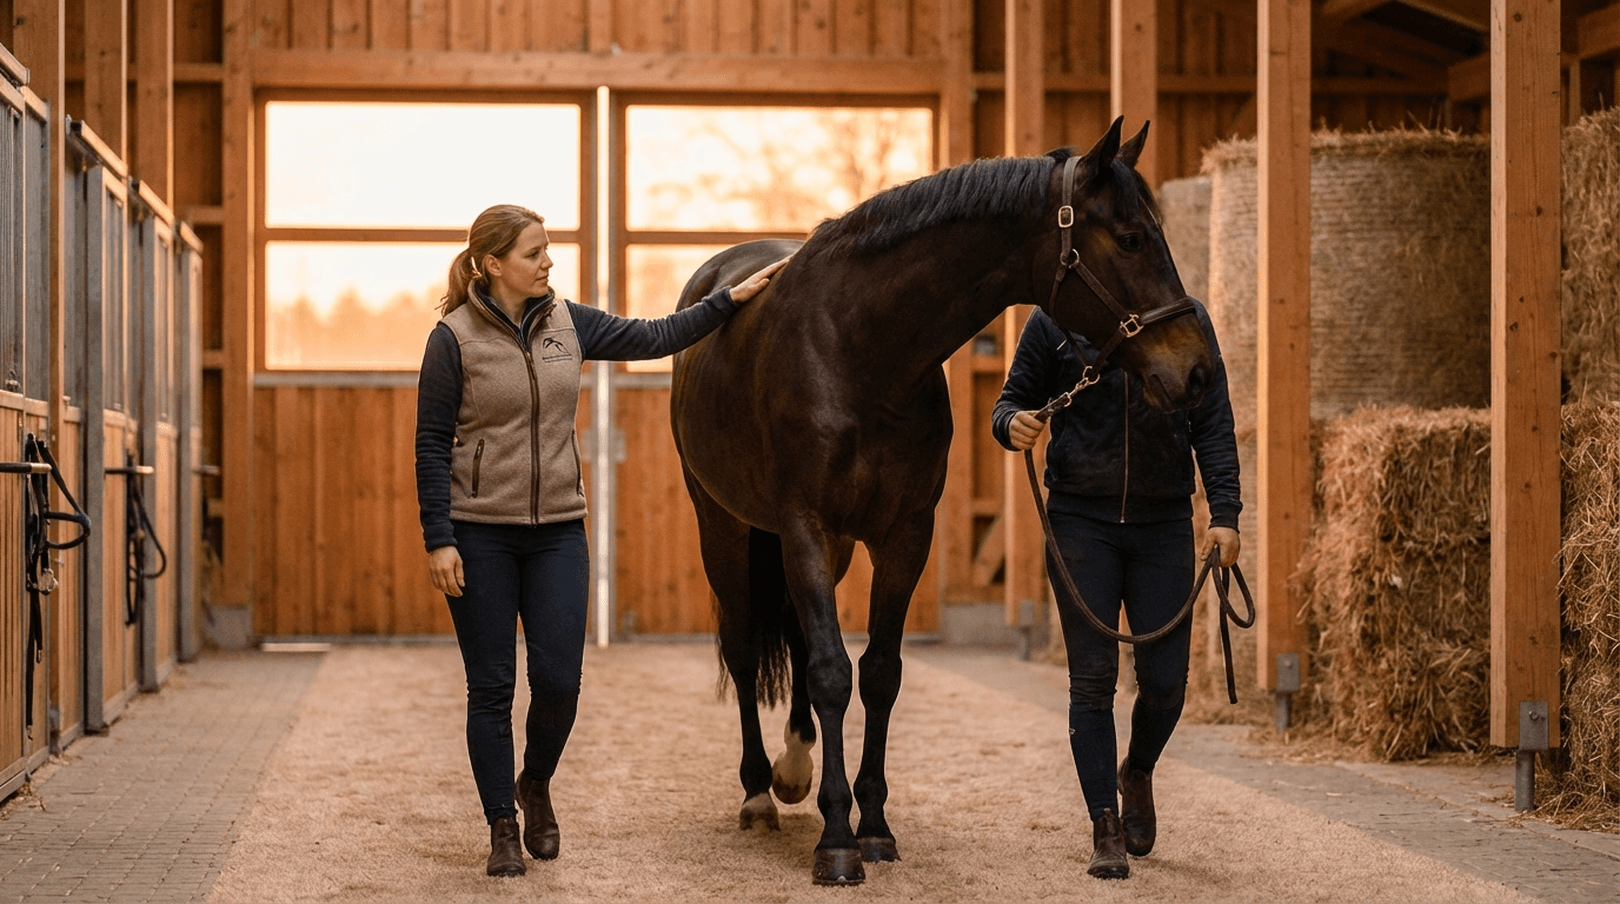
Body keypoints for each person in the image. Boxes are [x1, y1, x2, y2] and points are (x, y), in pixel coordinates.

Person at [415, 204, 787, 878]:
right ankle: (502, 825)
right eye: (533, 253)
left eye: (547, 249)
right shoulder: (453, 340)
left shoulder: (569, 322)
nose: (548, 261)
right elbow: (431, 444)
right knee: (491, 688)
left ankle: (535, 782)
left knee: (560, 682)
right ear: (492, 264)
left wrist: (728, 300)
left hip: (558, 531)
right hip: (479, 535)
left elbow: (656, 335)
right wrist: (439, 538)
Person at [991, 302, 1241, 880]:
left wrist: (1225, 510)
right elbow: (1009, 403)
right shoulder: (1052, 320)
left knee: (1166, 682)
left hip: (1164, 522)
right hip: (1080, 521)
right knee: (1092, 679)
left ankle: (1138, 770)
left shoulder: (1185, 318)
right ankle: (1104, 825)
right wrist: (1012, 424)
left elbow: (1212, 418)